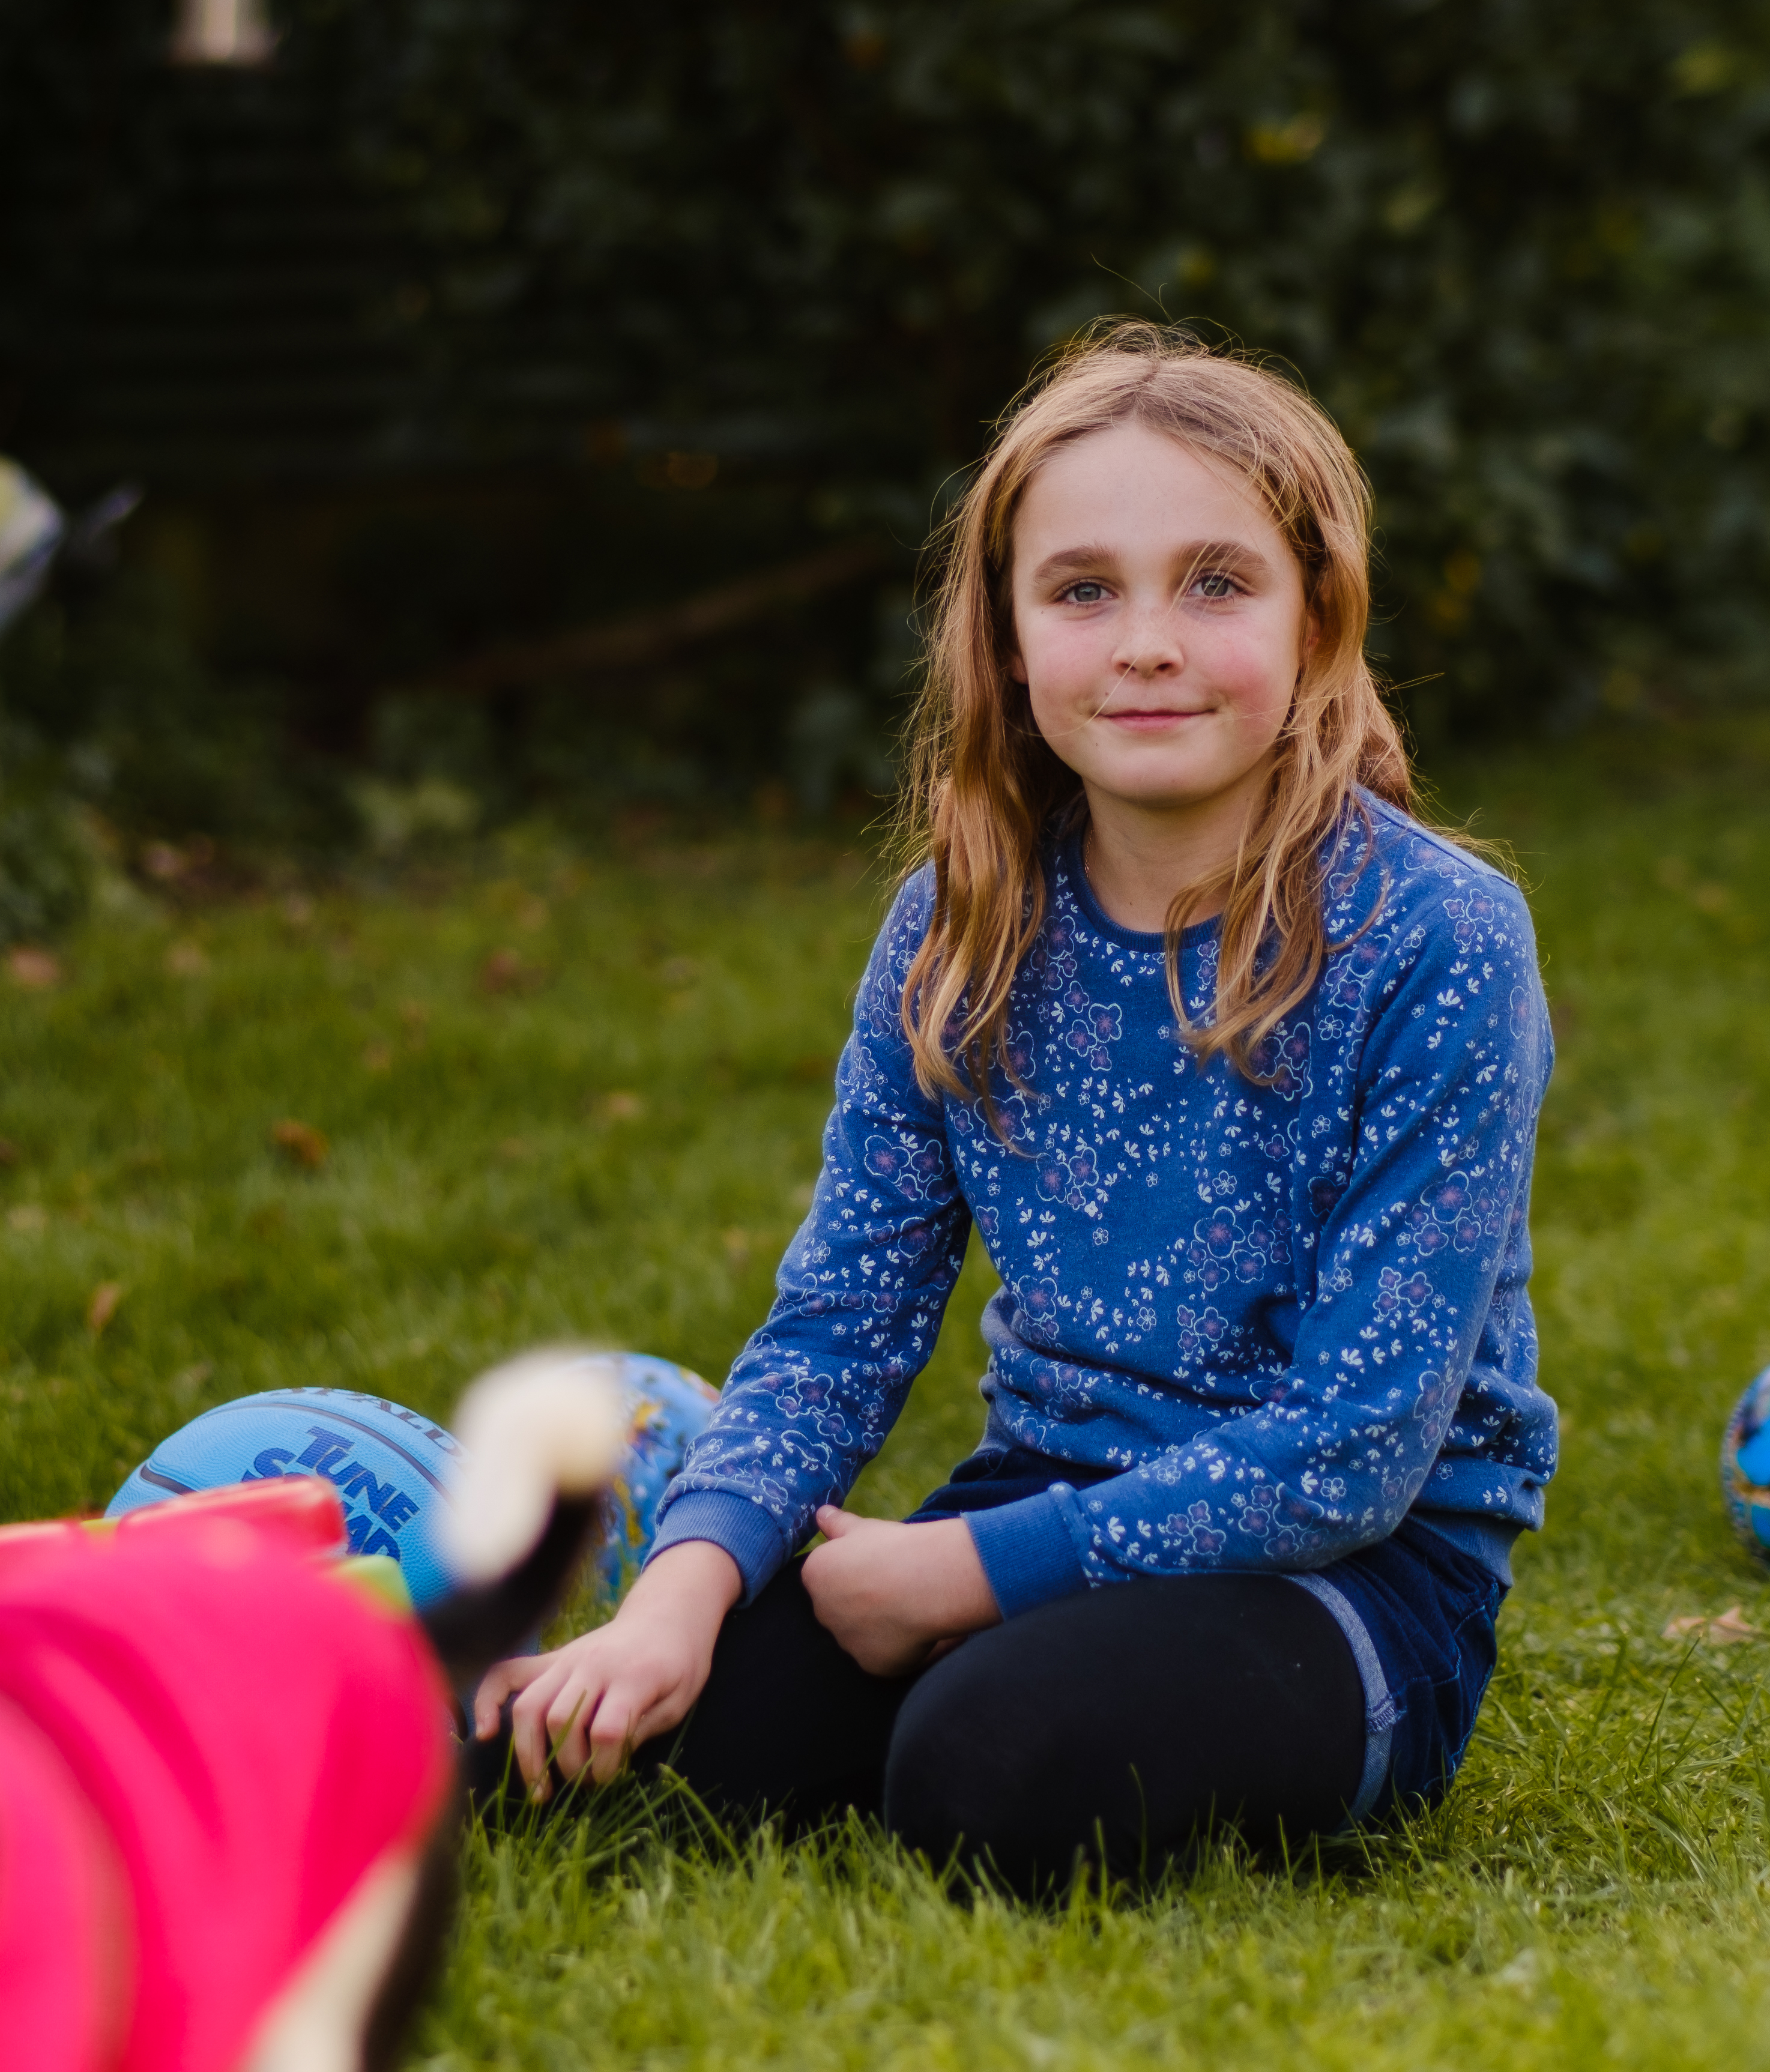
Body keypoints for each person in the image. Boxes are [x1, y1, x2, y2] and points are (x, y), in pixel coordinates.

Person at [471, 324, 1559, 1892]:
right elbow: (840, 1327)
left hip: (1354, 1582)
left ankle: (1006, 1683)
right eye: (1085, 589)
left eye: (1216, 582)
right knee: (609, 1756)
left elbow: (1355, 1445)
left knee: (994, 1771)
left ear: (1320, 615)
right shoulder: (957, 924)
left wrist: (960, 1577)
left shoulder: (1437, 939)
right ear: (1006, 632)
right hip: (1038, 1504)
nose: (1148, 642)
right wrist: (679, 1599)